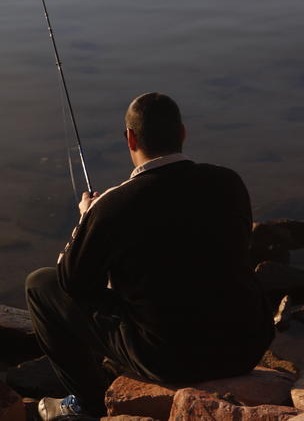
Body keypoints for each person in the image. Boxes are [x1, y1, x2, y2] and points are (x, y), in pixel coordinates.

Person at [25, 92, 273, 420]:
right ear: (182, 133)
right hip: (247, 345)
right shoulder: (228, 182)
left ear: (130, 138)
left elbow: (73, 283)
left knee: (40, 285)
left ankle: (87, 404)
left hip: (170, 359)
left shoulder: (113, 207)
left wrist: (87, 220)